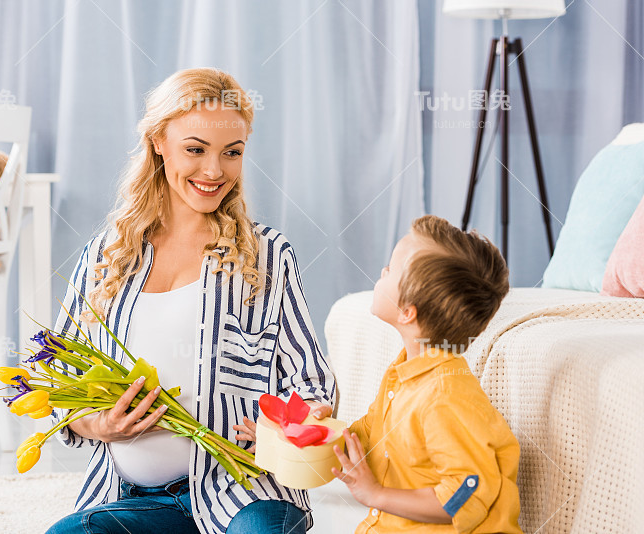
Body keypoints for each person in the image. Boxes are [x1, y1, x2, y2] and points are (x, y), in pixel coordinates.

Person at [46, 68, 335, 534]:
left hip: (246, 491)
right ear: (159, 141)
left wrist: (298, 424)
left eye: (232, 153)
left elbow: (310, 380)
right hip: (132, 498)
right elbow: (57, 377)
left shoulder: (266, 256)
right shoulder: (106, 255)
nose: (214, 171)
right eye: (195, 149)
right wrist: (96, 427)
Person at [332, 215, 522, 533]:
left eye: (390, 269)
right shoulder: (403, 373)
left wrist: (377, 494)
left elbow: (462, 496)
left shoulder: (445, 398)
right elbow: (362, 439)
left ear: (408, 312)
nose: (382, 271)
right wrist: (294, 435)